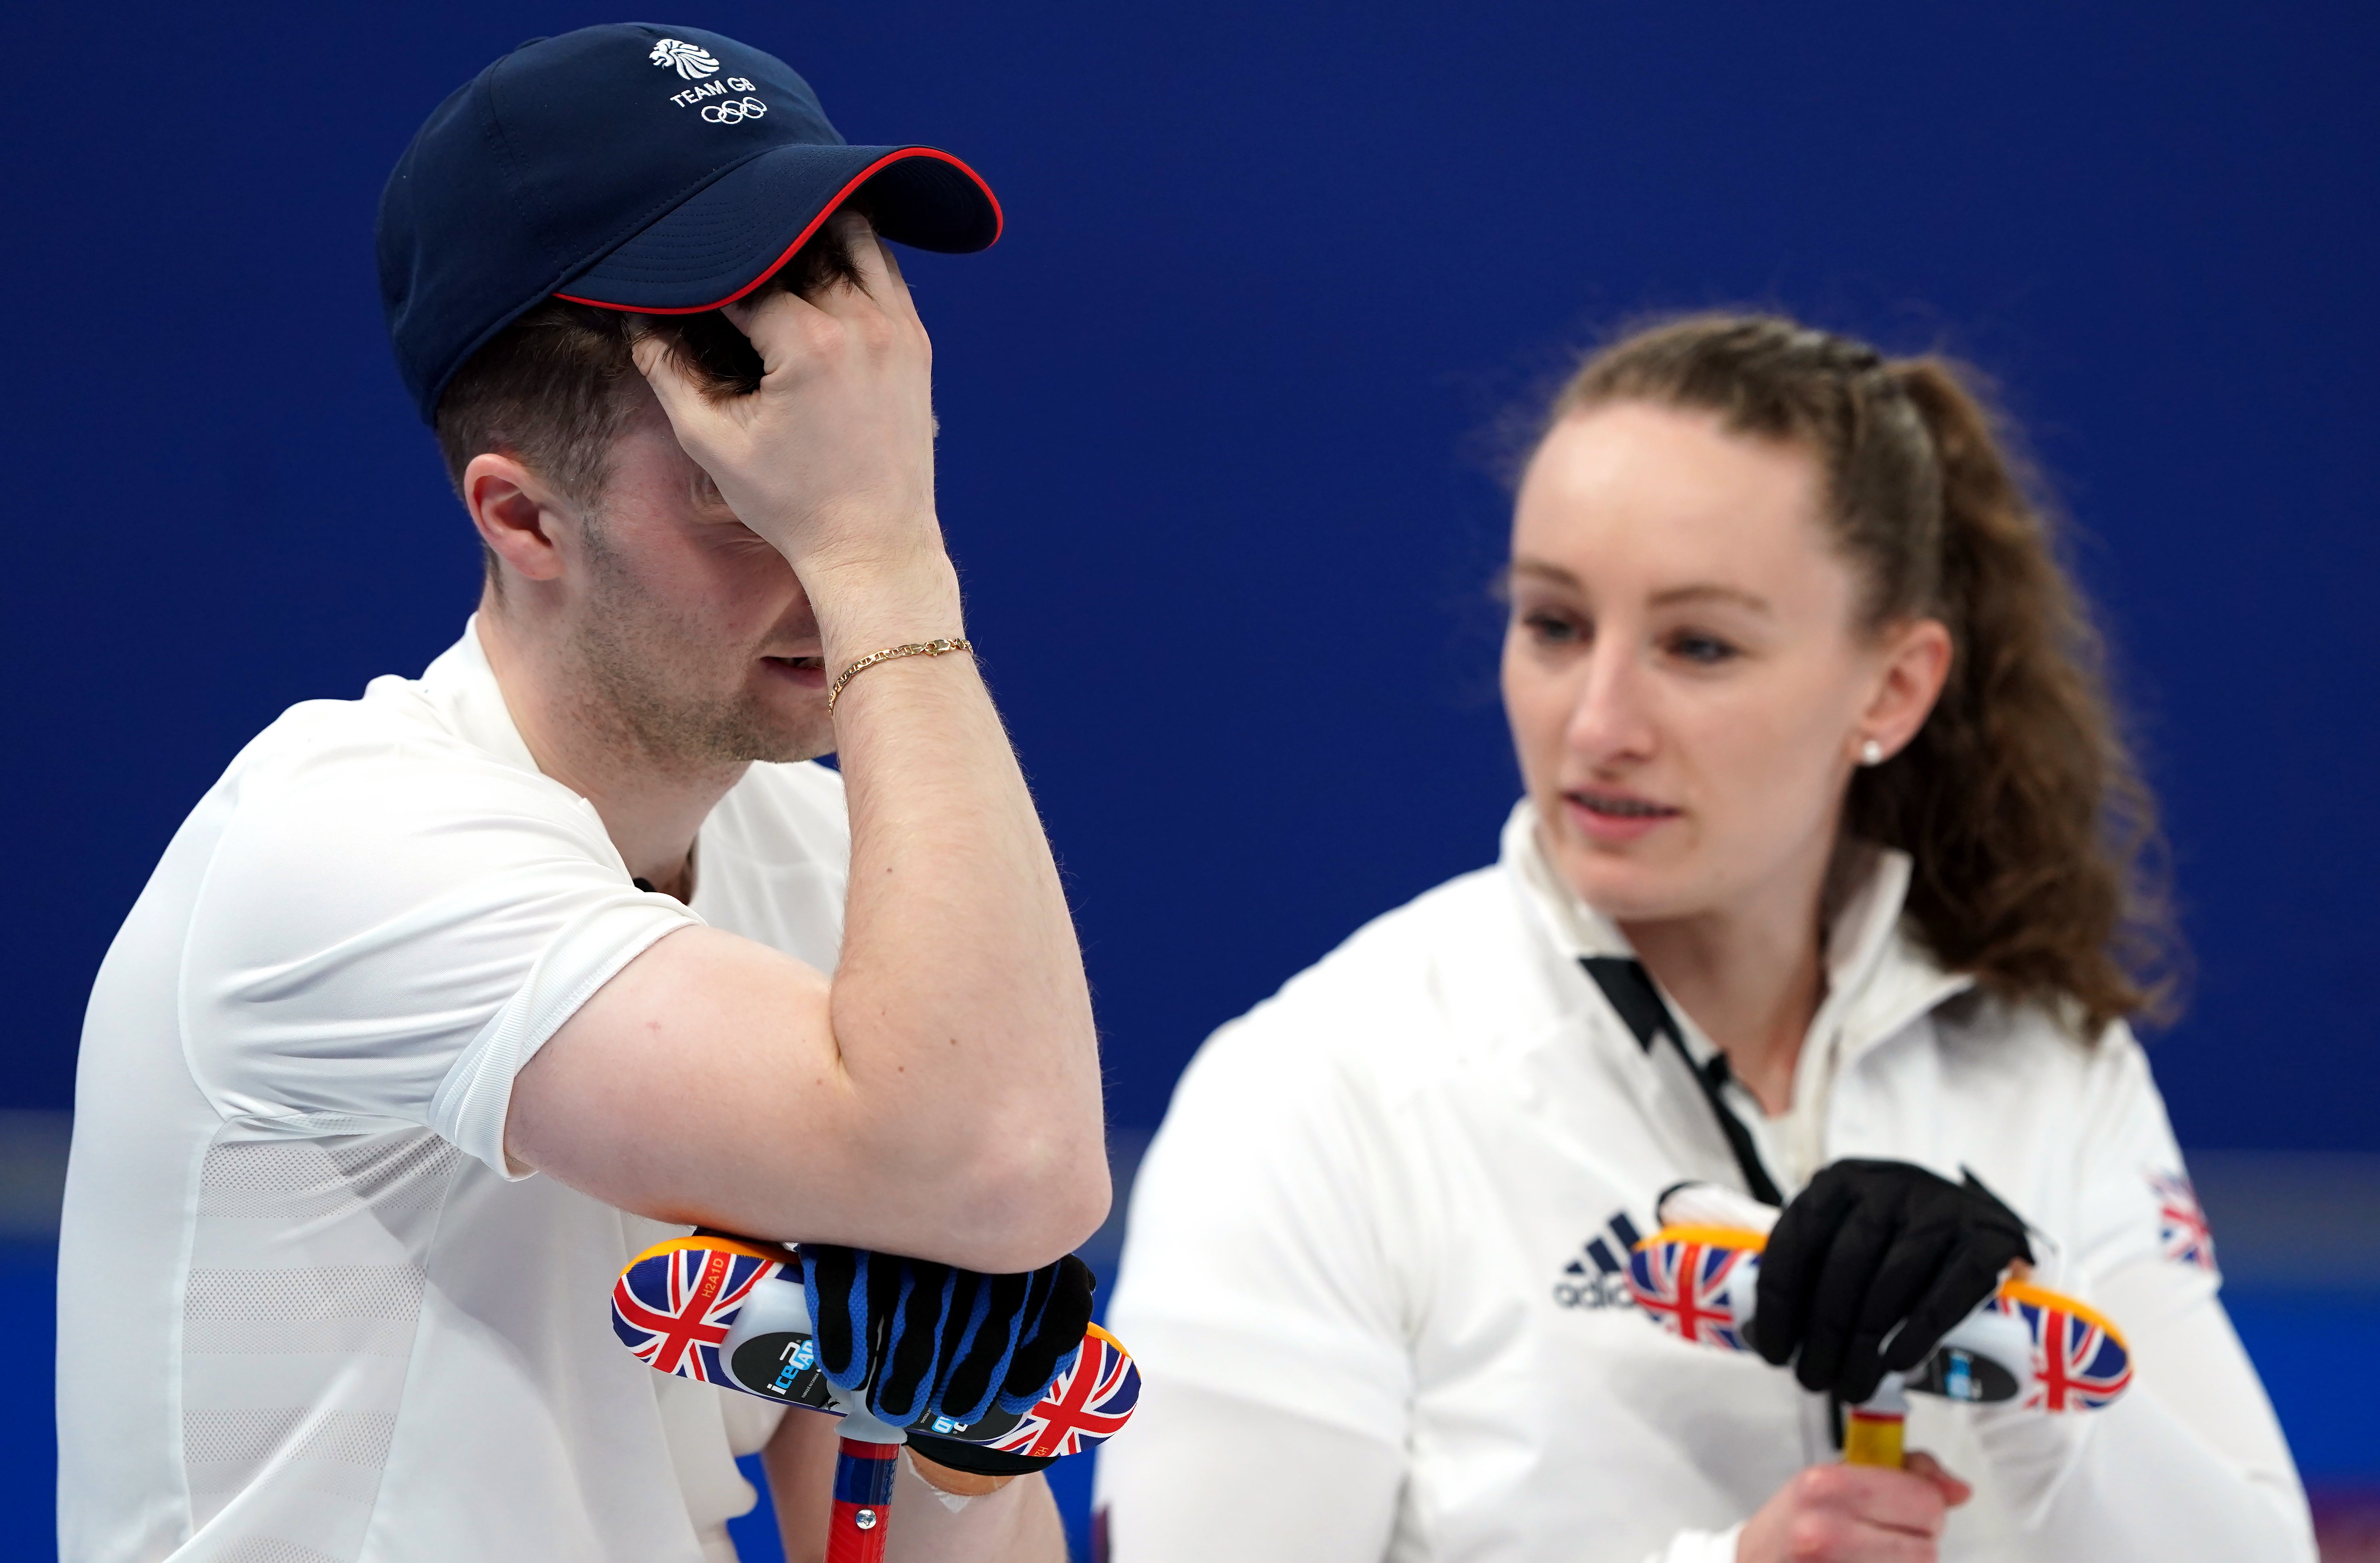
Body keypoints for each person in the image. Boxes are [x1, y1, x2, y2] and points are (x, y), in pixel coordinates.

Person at [56, 25, 1107, 1563]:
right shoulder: (338, 843)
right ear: (523, 518)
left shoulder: (824, 865)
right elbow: (1006, 1162)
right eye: (755, 491)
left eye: (880, 464)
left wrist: (957, 1447)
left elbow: (966, 1271)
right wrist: (890, 561)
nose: (837, 546)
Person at [1095, 315, 2316, 1562]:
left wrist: (2022, 1349)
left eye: (1699, 646)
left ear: (1892, 688)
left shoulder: (2048, 1065)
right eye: (1555, 626)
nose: (1600, 722)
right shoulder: (1315, 1092)